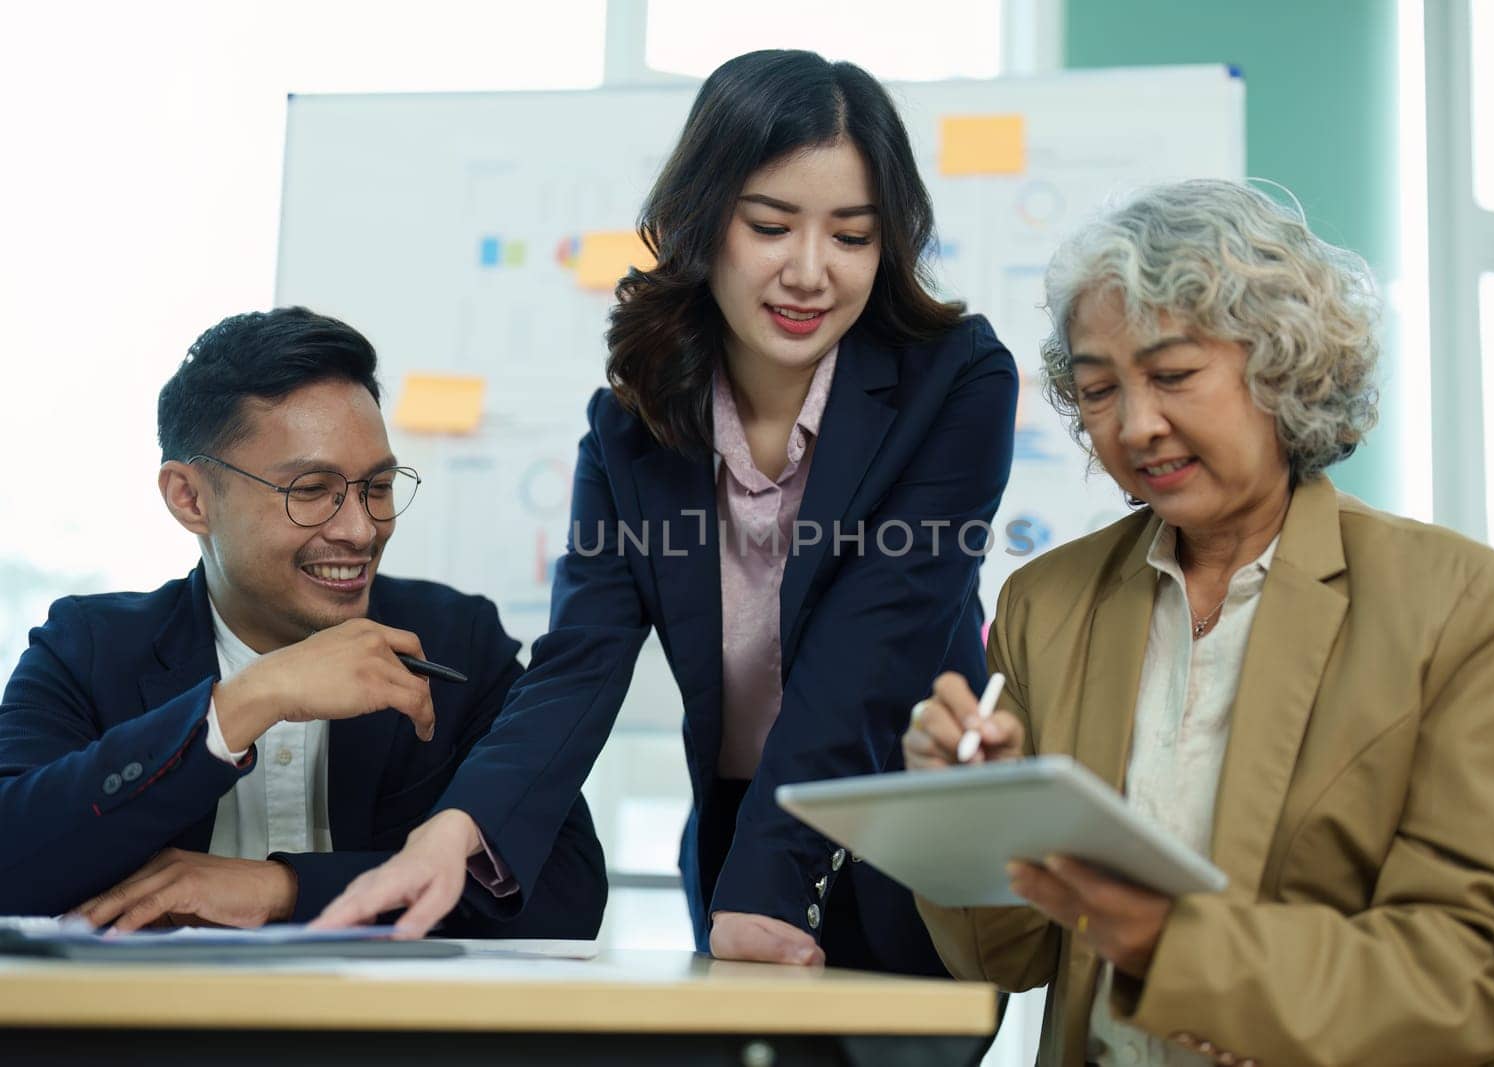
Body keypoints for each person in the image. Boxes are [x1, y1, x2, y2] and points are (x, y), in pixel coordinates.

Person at [313, 49, 1017, 973]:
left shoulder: (954, 382)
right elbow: (580, 661)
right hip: (737, 839)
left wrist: (766, 882)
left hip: (900, 845)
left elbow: (872, 650)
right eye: (770, 225)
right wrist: (457, 827)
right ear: (703, 218)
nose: (810, 272)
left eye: (853, 236)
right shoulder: (631, 424)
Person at [904, 180, 1494, 1063]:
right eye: (1099, 391)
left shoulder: (1461, 605)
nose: (1138, 426)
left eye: (1174, 375)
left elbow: (1487, 970)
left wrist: (1174, 948)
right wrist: (966, 813)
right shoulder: (1047, 603)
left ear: (1282, 363)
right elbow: (1007, 955)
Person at [0, 307, 606, 936]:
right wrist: (250, 699)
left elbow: (567, 891)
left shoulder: (457, 641)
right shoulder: (90, 649)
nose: (360, 529)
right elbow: (13, 861)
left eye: (378, 486)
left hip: (385, 1032)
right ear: (190, 498)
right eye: (311, 490)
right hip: (150, 1030)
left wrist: (285, 888)